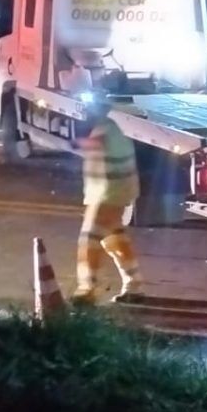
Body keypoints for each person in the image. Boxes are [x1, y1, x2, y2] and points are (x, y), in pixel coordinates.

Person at [72, 92, 143, 304]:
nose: (84, 113)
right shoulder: (110, 128)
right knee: (114, 240)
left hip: (109, 195)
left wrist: (74, 143)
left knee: (89, 239)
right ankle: (134, 285)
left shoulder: (106, 130)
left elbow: (93, 145)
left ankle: (87, 289)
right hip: (113, 193)